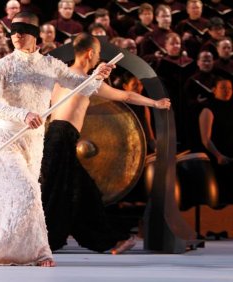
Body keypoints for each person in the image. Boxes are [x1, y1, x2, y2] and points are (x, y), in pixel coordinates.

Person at [0, 11, 112, 267]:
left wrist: (98, 75)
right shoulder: (2, 66)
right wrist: (23, 114)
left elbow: (81, 86)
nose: (17, 35)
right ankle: (30, 251)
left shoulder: (50, 65)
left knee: (26, 199)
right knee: (28, 192)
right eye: (14, 30)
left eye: (23, 30)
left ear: (35, 35)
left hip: (34, 142)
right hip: (6, 140)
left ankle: (35, 251)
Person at [40, 33, 171, 254]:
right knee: (66, 193)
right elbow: (126, 97)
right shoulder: (85, 81)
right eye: (98, 53)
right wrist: (155, 103)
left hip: (54, 138)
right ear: (90, 53)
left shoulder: (62, 75)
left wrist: (97, 77)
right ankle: (107, 241)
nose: (99, 57)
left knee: (70, 192)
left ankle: (58, 240)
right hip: (61, 139)